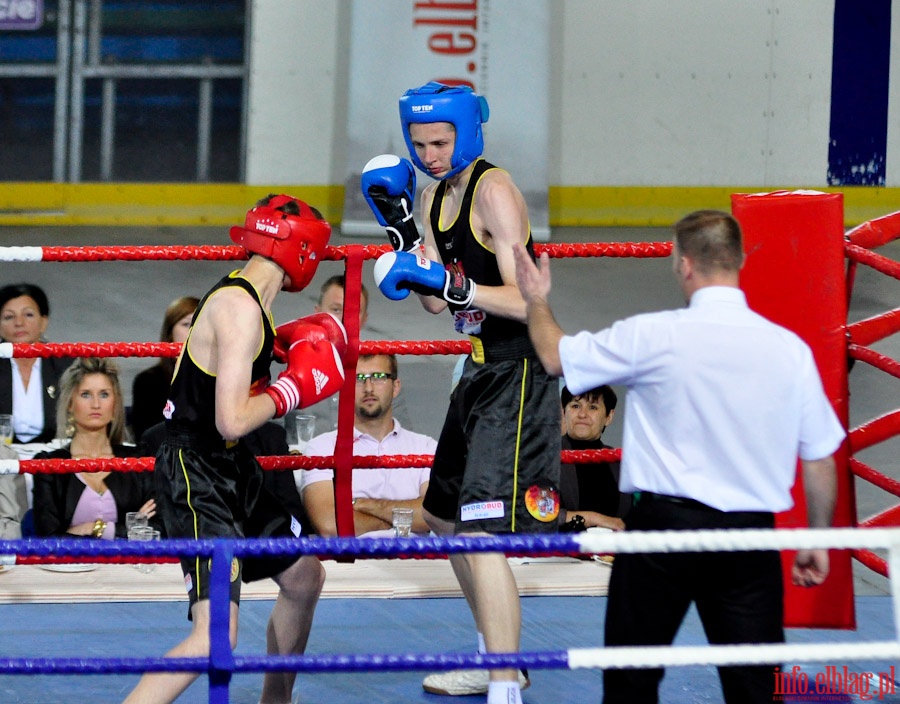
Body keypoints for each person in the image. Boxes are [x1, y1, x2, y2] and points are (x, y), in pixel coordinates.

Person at [513, 209, 845, 704]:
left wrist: (535, 297)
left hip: (663, 532)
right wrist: (817, 538)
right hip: (747, 539)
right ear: (738, 261)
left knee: (631, 681)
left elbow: (556, 356)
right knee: (755, 688)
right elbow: (820, 458)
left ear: (683, 264)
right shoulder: (786, 349)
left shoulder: (654, 335)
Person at [362, 81, 560, 703]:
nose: (431, 154)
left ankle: (505, 685)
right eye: (420, 144)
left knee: (480, 530)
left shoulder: (494, 192)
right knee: (443, 518)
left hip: (517, 370)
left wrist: (454, 291)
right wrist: (403, 237)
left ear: (469, 132)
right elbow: (430, 301)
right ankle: (494, 655)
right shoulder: (431, 194)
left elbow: (529, 300)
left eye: (442, 141)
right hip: (475, 369)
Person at [123, 194, 346, 704]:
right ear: (303, 251)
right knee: (214, 637)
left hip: (229, 465)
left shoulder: (250, 301)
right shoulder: (241, 309)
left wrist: (280, 352)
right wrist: (291, 389)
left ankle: (276, 700)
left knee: (305, 575)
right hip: (196, 473)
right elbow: (233, 417)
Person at [297, 353, 436, 538]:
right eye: (358, 379)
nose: (368, 388)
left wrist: (364, 505)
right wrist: (399, 521)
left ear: (396, 387)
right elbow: (329, 526)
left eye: (378, 377)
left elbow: (433, 516)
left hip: (417, 563)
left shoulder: (426, 447)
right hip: (350, 563)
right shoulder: (321, 448)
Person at [32, 358, 159, 539]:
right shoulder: (49, 466)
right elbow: (48, 539)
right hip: (68, 567)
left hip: (128, 566)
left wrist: (96, 527)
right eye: (85, 394)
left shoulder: (138, 461)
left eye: (104, 394)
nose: (96, 404)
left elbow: (158, 529)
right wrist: (129, 527)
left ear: (115, 403)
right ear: (69, 403)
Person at [0, 283, 71, 443]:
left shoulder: (67, 365)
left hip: (54, 458)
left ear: (43, 322)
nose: (19, 323)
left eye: (28, 315)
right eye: (9, 317)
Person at [558, 384, 627, 532]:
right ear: (564, 413)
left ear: (609, 416)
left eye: (593, 407)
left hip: (616, 551)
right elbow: (533, 515)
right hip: (563, 550)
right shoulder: (545, 457)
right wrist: (594, 518)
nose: (582, 414)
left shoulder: (621, 461)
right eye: (575, 406)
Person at [130, 296, 199, 441]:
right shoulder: (148, 382)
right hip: (165, 459)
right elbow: (146, 438)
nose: (193, 331)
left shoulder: (218, 378)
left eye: (199, 324)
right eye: (186, 324)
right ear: (169, 333)